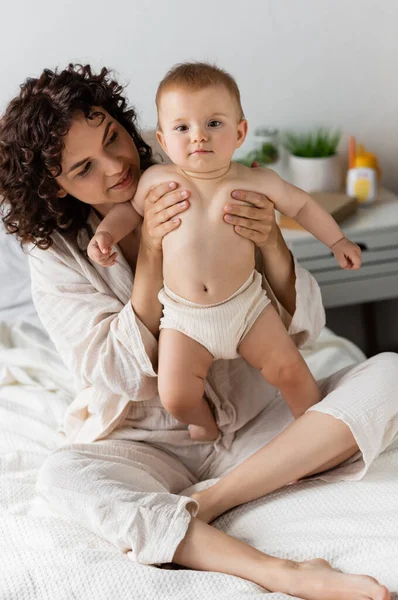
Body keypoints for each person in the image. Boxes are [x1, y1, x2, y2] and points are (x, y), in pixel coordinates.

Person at [0, 63, 398, 600]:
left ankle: (212, 500)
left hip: (259, 418)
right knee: (63, 476)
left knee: (391, 375)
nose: (116, 165)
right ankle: (280, 571)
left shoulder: (192, 159)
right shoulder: (57, 252)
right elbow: (111, 372)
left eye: (114, 136)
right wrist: (152, 259)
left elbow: (304, 325)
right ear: (57, 188)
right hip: (157, 439)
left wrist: (274, 244)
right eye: (84, 168)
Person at [87, 62, 361, 441]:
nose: (198, 136)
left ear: (240, 132)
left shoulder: (256, 180)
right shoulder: (157, 181)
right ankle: (202, 422)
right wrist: (104, 235)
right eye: (183, 127)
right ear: (164, 141)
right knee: (176, 395)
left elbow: (302, 205)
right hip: (184, 318)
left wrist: (338, 241)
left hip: (246, 307)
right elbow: (127, 213)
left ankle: (313, 427)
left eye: (213, 123)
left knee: (292, 371)